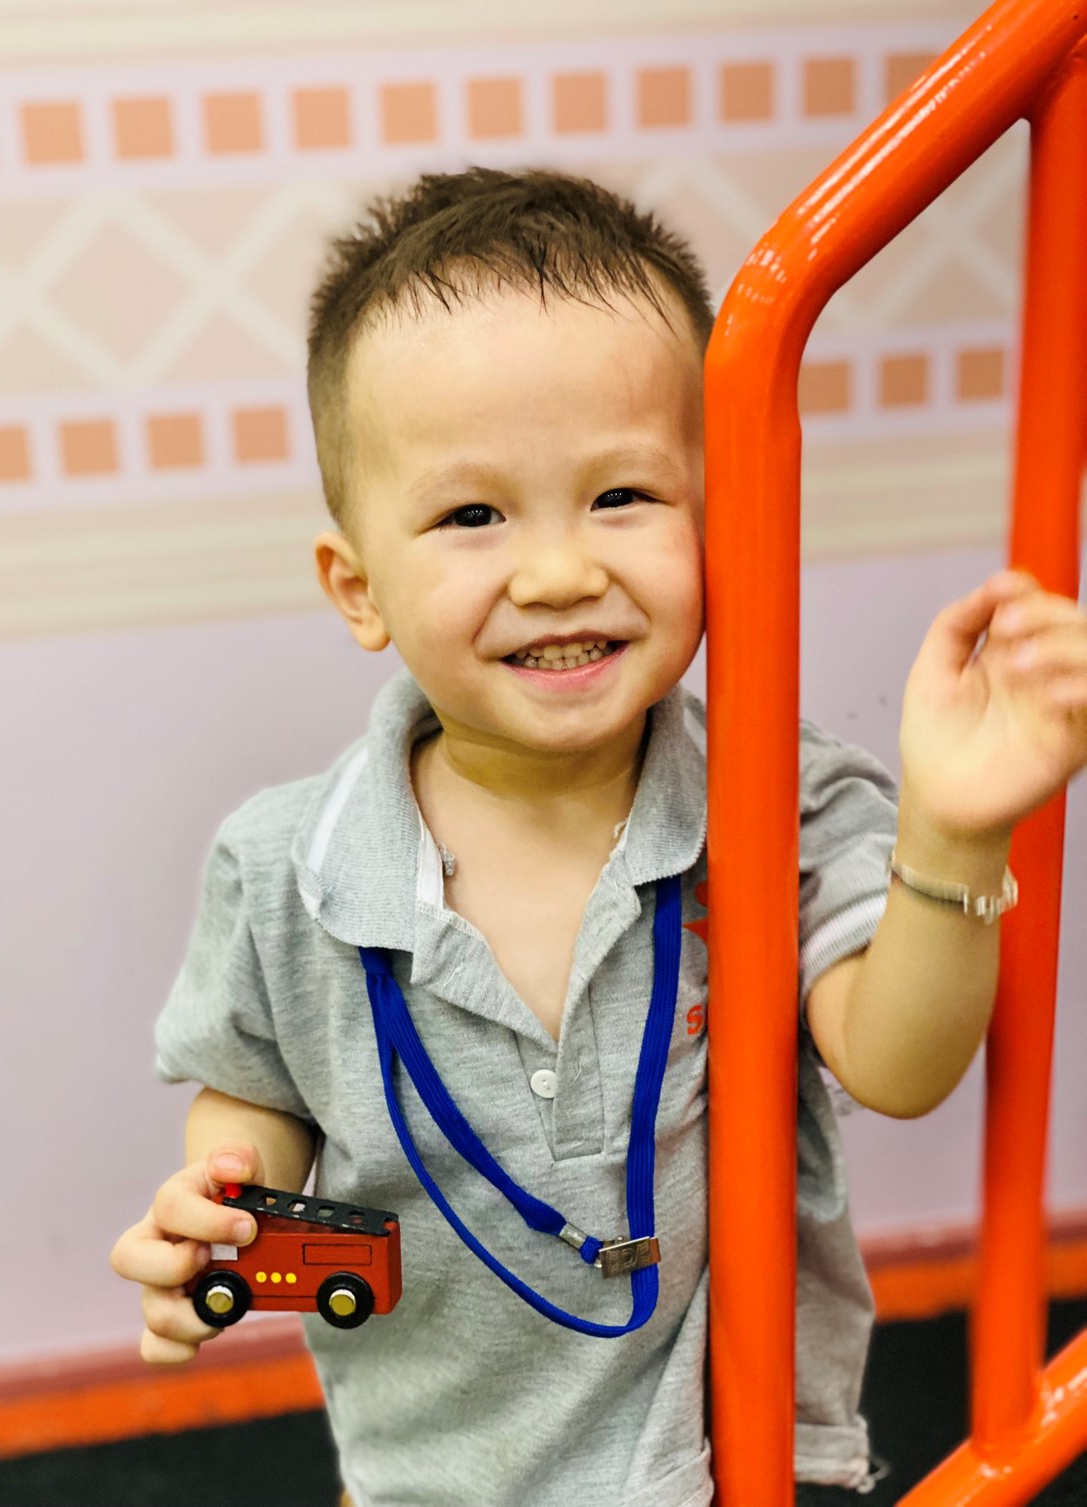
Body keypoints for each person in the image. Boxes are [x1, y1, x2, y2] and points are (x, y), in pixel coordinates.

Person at [110, 168, 1087, 1507]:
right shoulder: (284, 866)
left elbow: (898, 1063)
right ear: (358, 587)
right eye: (473, 515)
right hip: (427, 1475)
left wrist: (957, 836)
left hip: (721, 1466)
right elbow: (258, 1088)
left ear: (720, 523)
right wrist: (226, 1200)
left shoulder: (781, 798)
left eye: (623, 495)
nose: (562, 572)